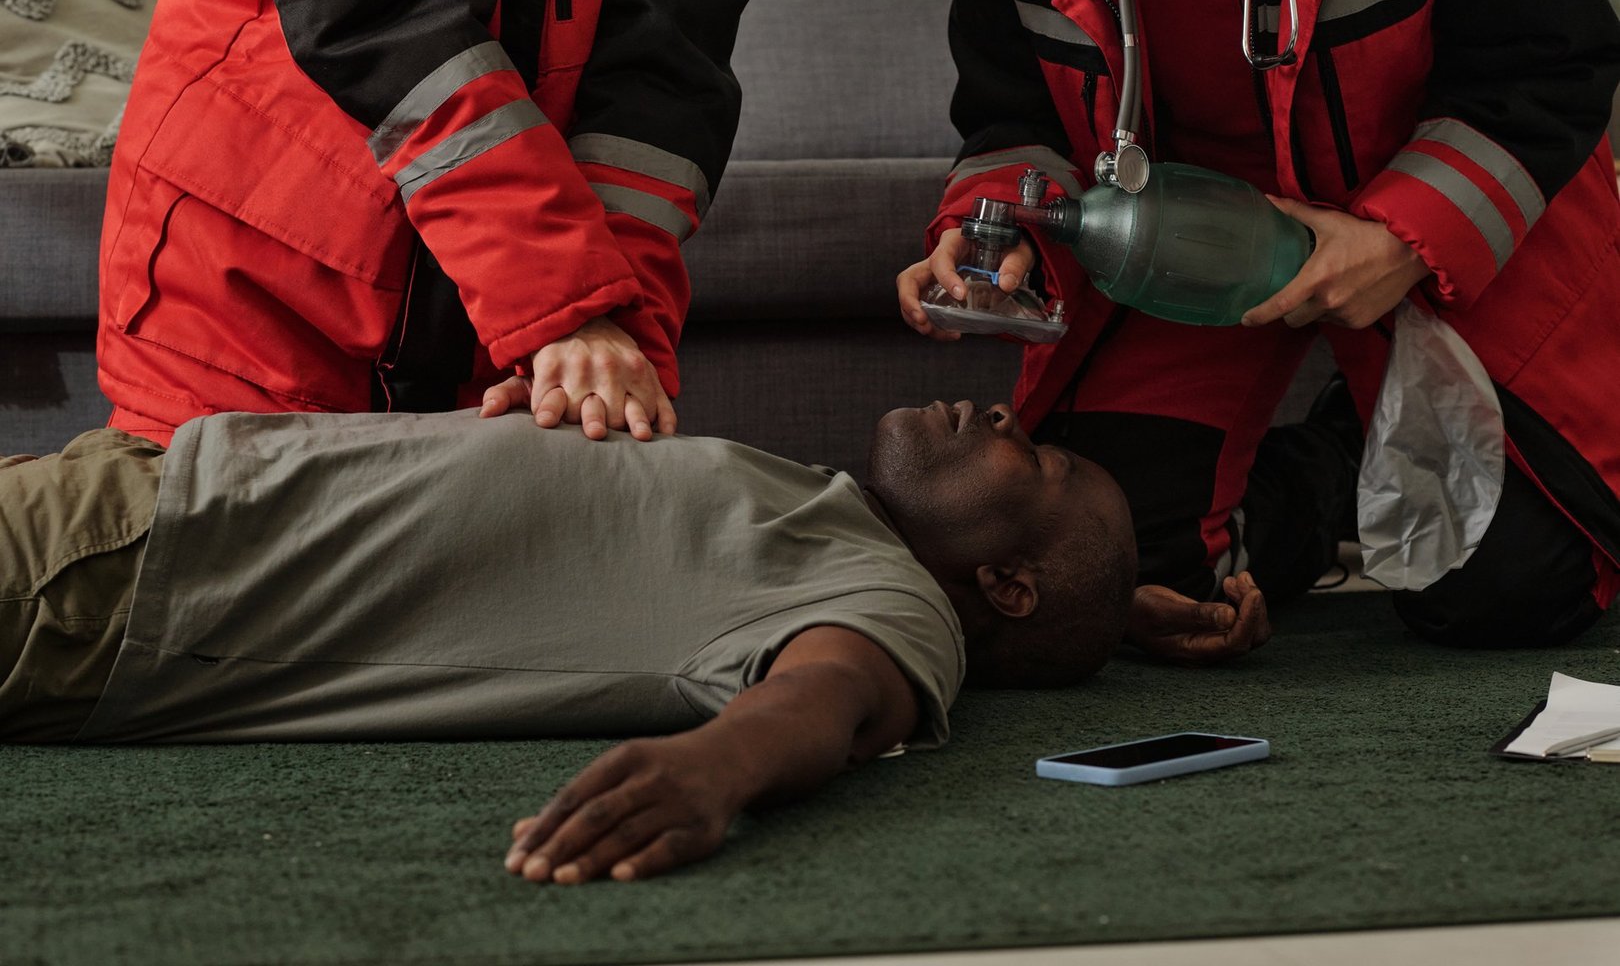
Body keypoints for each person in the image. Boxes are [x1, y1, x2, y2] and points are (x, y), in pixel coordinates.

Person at [3, 396, 1247, 883]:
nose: (997, 411)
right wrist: (1112, 606)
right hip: (145, 492)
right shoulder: (859, 531)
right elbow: (1005, 597)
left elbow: (836, 696)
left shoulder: (890, 600)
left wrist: (719, 767)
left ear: (1009, 583)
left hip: (135, 579)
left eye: (1030, 454)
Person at [897, 0, 1620, 652]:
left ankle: (1374, 412)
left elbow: (1550, 68)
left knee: (1511, 592)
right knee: (1113, 552)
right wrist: (1001, 225)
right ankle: (1346, 454)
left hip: (1441, 194)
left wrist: (1404, 242)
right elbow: (1012, 116)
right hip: (1186, 240)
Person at [97, 0, 758, 446]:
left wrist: (613, 322)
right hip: (248, 312)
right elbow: (376, 0)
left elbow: (663, 74)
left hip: (501, 350)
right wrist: (567, 308)